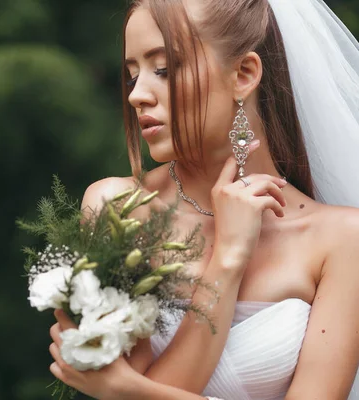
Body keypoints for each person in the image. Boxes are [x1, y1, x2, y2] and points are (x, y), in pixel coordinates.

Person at [47, 0, 359, 399]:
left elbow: (126, 390)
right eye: (131, 76)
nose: (137, 95)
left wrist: (126, 390)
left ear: (243, 74)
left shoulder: (340, 240)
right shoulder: (119, 208)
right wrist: (227, 261)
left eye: (163, 70)